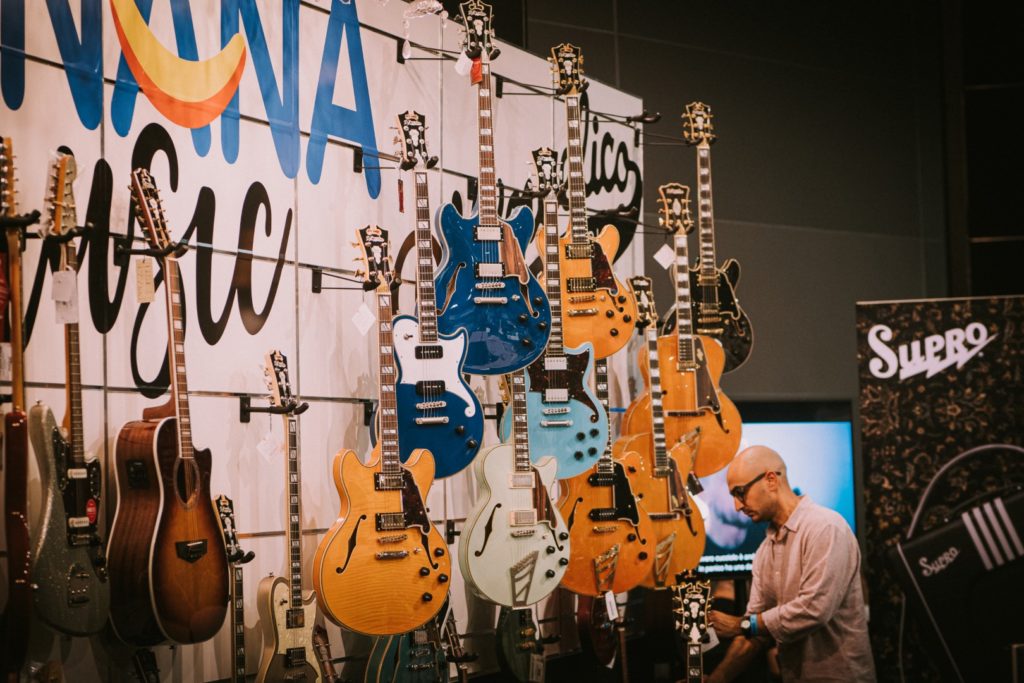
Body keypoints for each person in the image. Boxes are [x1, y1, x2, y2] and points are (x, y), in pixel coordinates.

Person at [706, 446, 876, 683]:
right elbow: (755, 634)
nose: (737, 506)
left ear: (771, 480)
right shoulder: (764, 553)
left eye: (740, 493)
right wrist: (715, 679)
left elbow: (813, 610)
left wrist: (741, 624)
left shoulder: (825, 527)